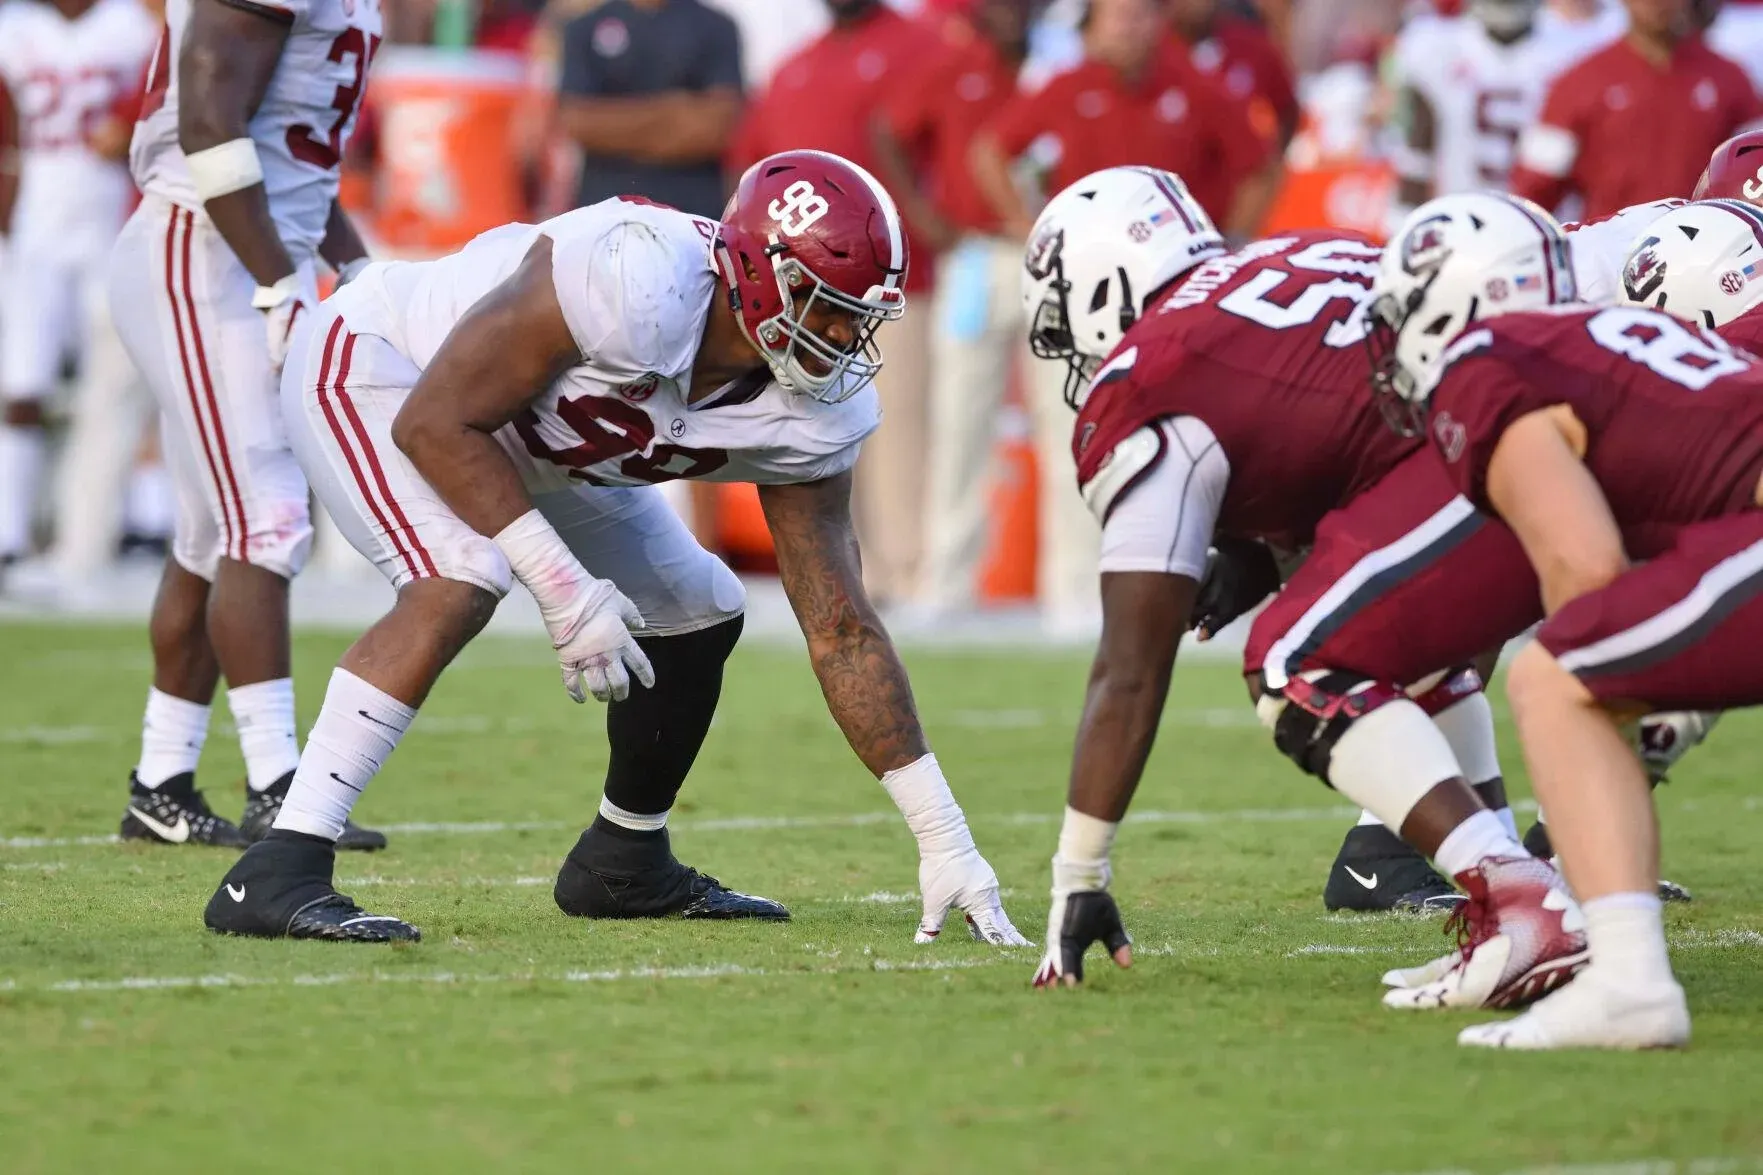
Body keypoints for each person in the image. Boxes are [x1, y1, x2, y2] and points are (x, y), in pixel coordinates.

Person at [202, 150, 1029, 950]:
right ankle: (280, 865)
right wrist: (564, 593)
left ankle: (623, 861)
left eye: (862, 315)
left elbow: (843, 629)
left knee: (698, 608)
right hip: (382, 370)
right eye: (825, 306)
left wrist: (943, 837)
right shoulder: (635, 276)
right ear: (750, 273)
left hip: (536, 446)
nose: (846, 339)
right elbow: (435, 422)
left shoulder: (819, 409)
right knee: (460, 576)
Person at [1012, 170, 1593, 995]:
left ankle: (1517, 895)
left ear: (1104, 282)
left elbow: (1130, 667)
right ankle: (1520, 913)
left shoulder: (1149, 373)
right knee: (1386, 640)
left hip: (1491, 455)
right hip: (1567, 432)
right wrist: (1249, 552)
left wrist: (1080, 870)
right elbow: (1337, 435)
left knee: (1297, 659)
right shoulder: (1295, 252)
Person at [1364, 194, 1763, 1048]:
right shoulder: (1621, 332)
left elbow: (1584, 574)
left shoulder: (1497, 363)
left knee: (1558, 674)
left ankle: (1620, 977)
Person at [108, 0, 387, 850]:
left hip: (247, 252)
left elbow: (295, 149)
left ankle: (162, 781)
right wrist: (275, 275)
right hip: (203, 250)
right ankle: (279, 786)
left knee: (212, 533)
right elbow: (208, 119)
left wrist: (353, 262)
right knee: (265, 521)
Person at [726, 0, 938, 610]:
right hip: (792, 293)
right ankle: (848, 577)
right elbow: (748, 170)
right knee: (815, 428)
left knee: (894, 427)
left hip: (888, 285)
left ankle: (910, 577)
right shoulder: (796, 64)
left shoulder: (918, 47)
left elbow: (941, 150)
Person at [868, 0, 1038, 621]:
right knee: (959, 421)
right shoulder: (952, 63)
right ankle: (946, 582)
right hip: (976, 254)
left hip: (1053, 251)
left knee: (1067, 419)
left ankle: (1075, 589)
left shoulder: (1055, 65)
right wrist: (926, 218)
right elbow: (889, 131)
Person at [0, 0, 158, 578]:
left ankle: (141, 520)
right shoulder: (16, 29)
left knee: (119, 383)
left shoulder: (131, 24)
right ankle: (11, 530)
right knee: (23, 382)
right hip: (36, 226)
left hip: (113, 225)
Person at [1510, 0, 1761, 218]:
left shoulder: (1730, 79)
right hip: (1609, 253)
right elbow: (1533, 186)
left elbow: (1756, 170)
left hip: (1701, 254)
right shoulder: (1578, 82)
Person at [1383, 0, 1615, 233]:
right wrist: (1404, 223)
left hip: (1550, 225)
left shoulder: (1579, 47)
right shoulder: (1436, 46)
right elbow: (1417, 157)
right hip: (1463, 223)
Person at [554, 0, 743, 221]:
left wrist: (611, 123)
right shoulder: (583, 28)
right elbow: (577, 123)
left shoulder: (717, 27)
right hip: (604, 214)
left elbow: (717, 127)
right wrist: (674, 111)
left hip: (694, 214)